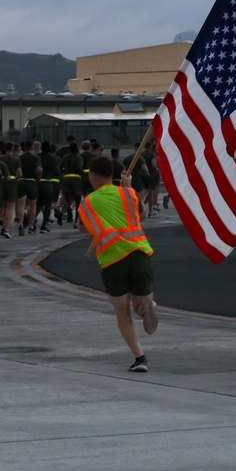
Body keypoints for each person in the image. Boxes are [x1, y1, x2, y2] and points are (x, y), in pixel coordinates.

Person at [77, 156, 157, 372]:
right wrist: (129, 189)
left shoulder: (88, 202)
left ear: (93, 176)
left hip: (113, 260)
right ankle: (148, 308)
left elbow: (81, 227)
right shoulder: (128, 194)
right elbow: (144, 215)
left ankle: (140, 359)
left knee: (122, 312)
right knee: (141, 302)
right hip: (139, 253)